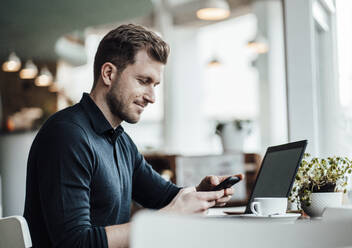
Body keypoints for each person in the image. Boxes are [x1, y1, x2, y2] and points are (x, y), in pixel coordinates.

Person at [23, 24, 243, 248]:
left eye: (155, 85)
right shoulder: (67, 135)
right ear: (108, 74)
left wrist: (200, 193)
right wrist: (170, 216)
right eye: (143, 81)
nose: (152, 97)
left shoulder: (120, 141)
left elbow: (165, 196)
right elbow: (75, 243)